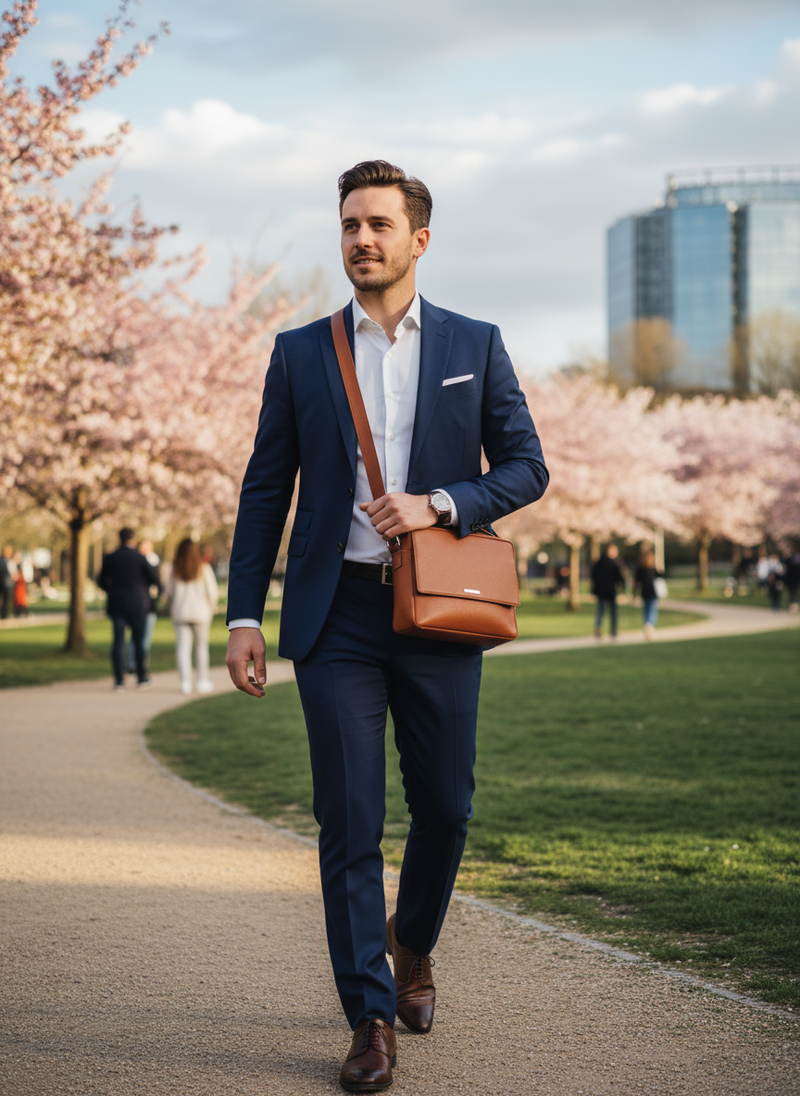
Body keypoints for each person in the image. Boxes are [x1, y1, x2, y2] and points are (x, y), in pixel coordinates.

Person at [225, 160, 548, 1091]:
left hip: (440, 612)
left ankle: (414, 945)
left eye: (378, 224)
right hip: (337, 619)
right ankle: (369, 1016)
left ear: (419, 240)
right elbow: (263, 493)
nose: (361, 239)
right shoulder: (300, 352)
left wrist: (442, 501)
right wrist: (245, 613)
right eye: (349, 224)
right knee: (350, 818)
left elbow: (527, 467)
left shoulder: (475, 344)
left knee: (447, 807)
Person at [97, 528, 161, 691]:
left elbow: (101, 581)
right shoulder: (139, 557)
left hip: (117, 603)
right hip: (137, 604)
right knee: (139, 641)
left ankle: (119, 680)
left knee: (118, 642)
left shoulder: (111, 557)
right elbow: (154, 578)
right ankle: (141, 677)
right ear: (133, 538)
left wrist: (112, 590)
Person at [165, 538, 218, 695]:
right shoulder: (204, 568)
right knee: (201, 647)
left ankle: (185, 682)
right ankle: (202, 681)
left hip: (180, 613)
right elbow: (212, 592)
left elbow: (168, 593)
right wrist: (212, 606)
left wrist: (171, 606)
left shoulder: (175, 570)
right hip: (201, 614)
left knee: (183, 647)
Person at [128, 540, 161, 673]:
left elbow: (157, 583)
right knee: (135, 637)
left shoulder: (154, 562)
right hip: (138, 606)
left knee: (145, 638)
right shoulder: (135, 563)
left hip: (149, 606)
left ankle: (141, 664)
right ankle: (133, 665)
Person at [591, 544, 625, 639]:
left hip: (601, 590)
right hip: (610, 590)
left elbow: (593, 577)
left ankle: (598, 627)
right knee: (613, 612)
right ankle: (613, 631)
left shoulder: (598, 562)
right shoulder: (613, 563)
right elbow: (619, 577)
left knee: (601, 611)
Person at [633, 550, 664, 640]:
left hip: (644, 592)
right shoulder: (652, 569)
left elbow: (636, 583)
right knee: (652, 610)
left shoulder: (640, 570)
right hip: (652, 592)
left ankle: (647, 624)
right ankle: (649, 625)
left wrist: (634, 594)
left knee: (646, 610)